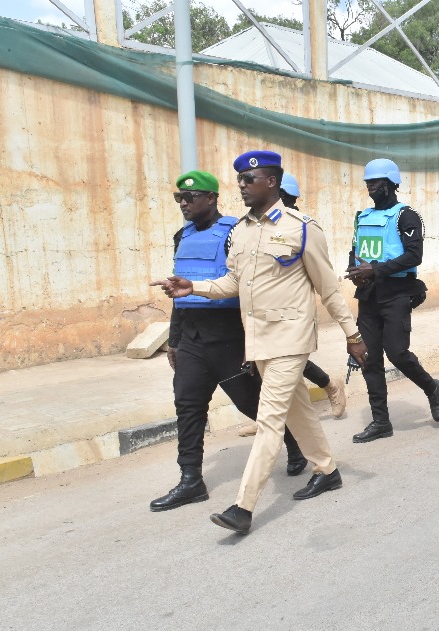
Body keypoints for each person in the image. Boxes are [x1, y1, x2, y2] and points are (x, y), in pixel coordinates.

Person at [151, 150, 368, 535]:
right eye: (239, 181)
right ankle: (328, 470)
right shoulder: (242, 231)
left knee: (269, 420)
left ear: (271, 182)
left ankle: (242, 506)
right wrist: (194, 287)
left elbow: (329, 289)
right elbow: (233, 284)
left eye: (249, 181)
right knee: (298, 411)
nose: (242, 187)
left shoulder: (302, 227)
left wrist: (352, 335)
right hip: (259, 340)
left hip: (291, 337)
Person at [149, 170, 310, 512]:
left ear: (211, 198)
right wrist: (174, 340)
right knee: (188, 406)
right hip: (192, 337)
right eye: (180, 198)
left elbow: (248, 287)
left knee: (251, 403)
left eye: (190, 198)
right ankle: (191, 480)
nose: (183, 203)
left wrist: (252, 343)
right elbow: (179, 292)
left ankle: (295, 443)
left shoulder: (235, 233)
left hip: (227, 336)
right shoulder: (182, 236)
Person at [234, 170, 347, 437]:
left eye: (285, 197)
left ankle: (328, 387)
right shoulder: (250, 228)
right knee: (273, 374)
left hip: (291, 320)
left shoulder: (300, 228)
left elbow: (325, 284)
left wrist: (351, 333)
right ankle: (273, 420)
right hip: (260, 317)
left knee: (287, 368)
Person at [343, 158, 439, 442]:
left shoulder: (406, 216)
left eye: (374, 182)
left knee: (398, 353)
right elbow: (355, 249)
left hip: (396, 294)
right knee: (368, 358)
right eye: (367, 183)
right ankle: (380, 421)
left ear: (390, 184)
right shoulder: (362, 217)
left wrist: (374, 269)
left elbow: (414, 256)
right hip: (368, 296)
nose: (370, 187)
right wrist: (356, 271)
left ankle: (432, 388)